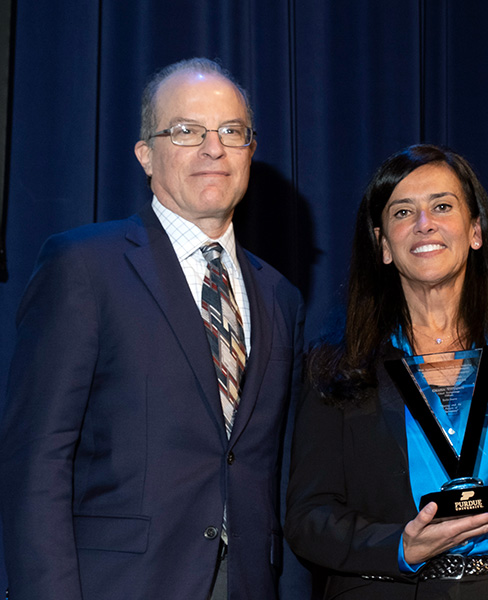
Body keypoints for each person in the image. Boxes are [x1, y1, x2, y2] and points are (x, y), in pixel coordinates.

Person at [0, 58, 305, 599]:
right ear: (146, 154)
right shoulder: (84, 266)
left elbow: (275, 472)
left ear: (250, 151)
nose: (214, 148)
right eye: (187, 131)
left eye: (231, 132)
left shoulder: (280, 296)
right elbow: (36, 462)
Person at [284, 144, 488, 599]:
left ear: (475, 231)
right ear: (382, 244)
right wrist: (401, 545)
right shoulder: (340, 370)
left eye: (442, 206)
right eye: (403, 212)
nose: (424, 224)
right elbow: (308, 519)